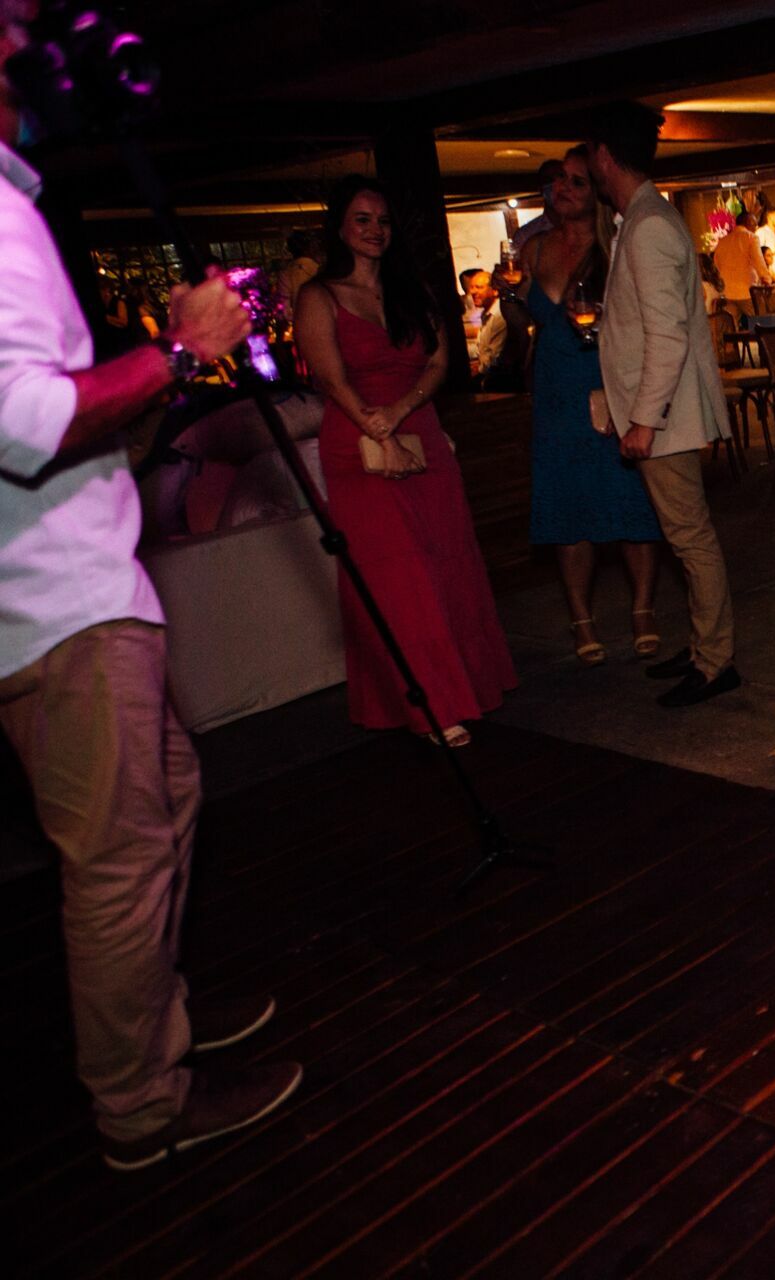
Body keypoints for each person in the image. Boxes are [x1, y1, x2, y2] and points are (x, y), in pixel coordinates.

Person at [0, 1, 303, 1170]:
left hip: (79, 587)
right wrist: (178, 351)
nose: (32, 39)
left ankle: (153, 1018)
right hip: (58, 603)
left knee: (166, 802)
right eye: (12, 18)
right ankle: (141, 1102)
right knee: (120, 861)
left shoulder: (17, 202)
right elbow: (28, 422)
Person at [293, 176, 517, 747]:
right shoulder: (319, 295)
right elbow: (329, 377)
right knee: (398, 575)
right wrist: (377, 425)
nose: (375, 230)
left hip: (419, 430)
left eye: (383, 220)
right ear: (340, 226)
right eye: (362, 219)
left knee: (447, 563)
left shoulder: (409, 289)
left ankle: (465, 686)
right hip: (358, 442)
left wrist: (400, 410)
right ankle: (431, 704)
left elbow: (439, 362)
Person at [584, 103, 741, 707]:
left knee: (691, 539)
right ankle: (705, 646)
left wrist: (644, 420)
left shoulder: (648, 223)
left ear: (604, 156)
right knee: (685, 538)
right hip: (661, 411)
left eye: (590, 155)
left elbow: (667, 336)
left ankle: (715, 661)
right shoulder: (643, 216)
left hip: (665, 415)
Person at [517, 144, 664, 665]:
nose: (564, 188)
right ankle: (582, 619)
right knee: (566, 508)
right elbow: (525, 320)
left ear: (596, 191)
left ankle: (642, 610)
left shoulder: (615, 247)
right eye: (559, 179)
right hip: (556, 391)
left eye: (577, 181)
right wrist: (513, 301)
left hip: (606, 385)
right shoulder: (534, 249)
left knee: (629, 503)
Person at [712, 206, 774, 321]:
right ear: (748, 223)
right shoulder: (751, 238)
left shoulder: (722, 241)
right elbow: (759, 261)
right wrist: (767, 279)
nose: (756, 228)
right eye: (755, 224)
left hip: (728, 292)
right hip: (747, 292)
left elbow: (716, 265)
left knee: (732, 325)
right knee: (761, 321)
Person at [510, 158, 567, 253]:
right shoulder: (526, 235)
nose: (555, 186)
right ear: (540, 188)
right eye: (549, 180)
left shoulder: (586, 230)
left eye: (560, 178)